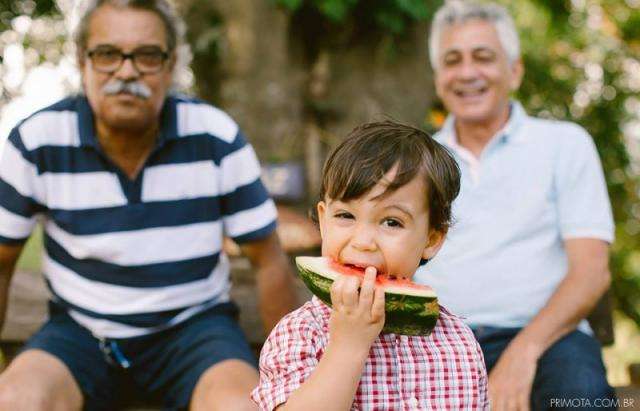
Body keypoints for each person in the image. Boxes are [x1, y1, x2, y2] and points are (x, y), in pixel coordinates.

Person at [0, 0, 298, 410]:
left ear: (171, 64)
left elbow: (269, 260)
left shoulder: (216, 136)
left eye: (147, 55)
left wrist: (290, 380)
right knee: (15, 400)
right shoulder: (36, 141)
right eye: (107, 54)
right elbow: (1, 263)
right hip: (80, 335)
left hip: (196, 334)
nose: (126, 71)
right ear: (81, 61)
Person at [415, 2, 616, 410]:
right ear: (439, 79)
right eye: (453, 61)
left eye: (483, 57)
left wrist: (523, 354)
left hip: (551, 340)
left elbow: (591, 272)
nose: (467, 72)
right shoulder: (416, 160)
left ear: (515, 71)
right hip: (435, 340)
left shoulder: (565, 144)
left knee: (582, 400)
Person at [251, 120, 489, 410]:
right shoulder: (300, 334)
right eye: (346, 216)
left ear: (432, 238)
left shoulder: (459, 343)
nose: (363, 241)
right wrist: (348, 346)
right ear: (323, 221)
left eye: (392, 222)